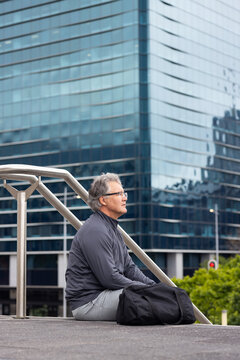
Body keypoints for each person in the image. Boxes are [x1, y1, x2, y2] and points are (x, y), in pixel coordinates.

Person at [65, 173, 155, 321]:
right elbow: (110, 278)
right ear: (103, 200)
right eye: (119, 194)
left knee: (155, 296)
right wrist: (145, 289)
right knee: (148, 300)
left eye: (124, 193)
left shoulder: (112, 229)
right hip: (89, 303)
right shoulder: (95, 230)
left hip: (106, 295)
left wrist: (153, 286)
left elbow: (129, 268)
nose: (124, 198)